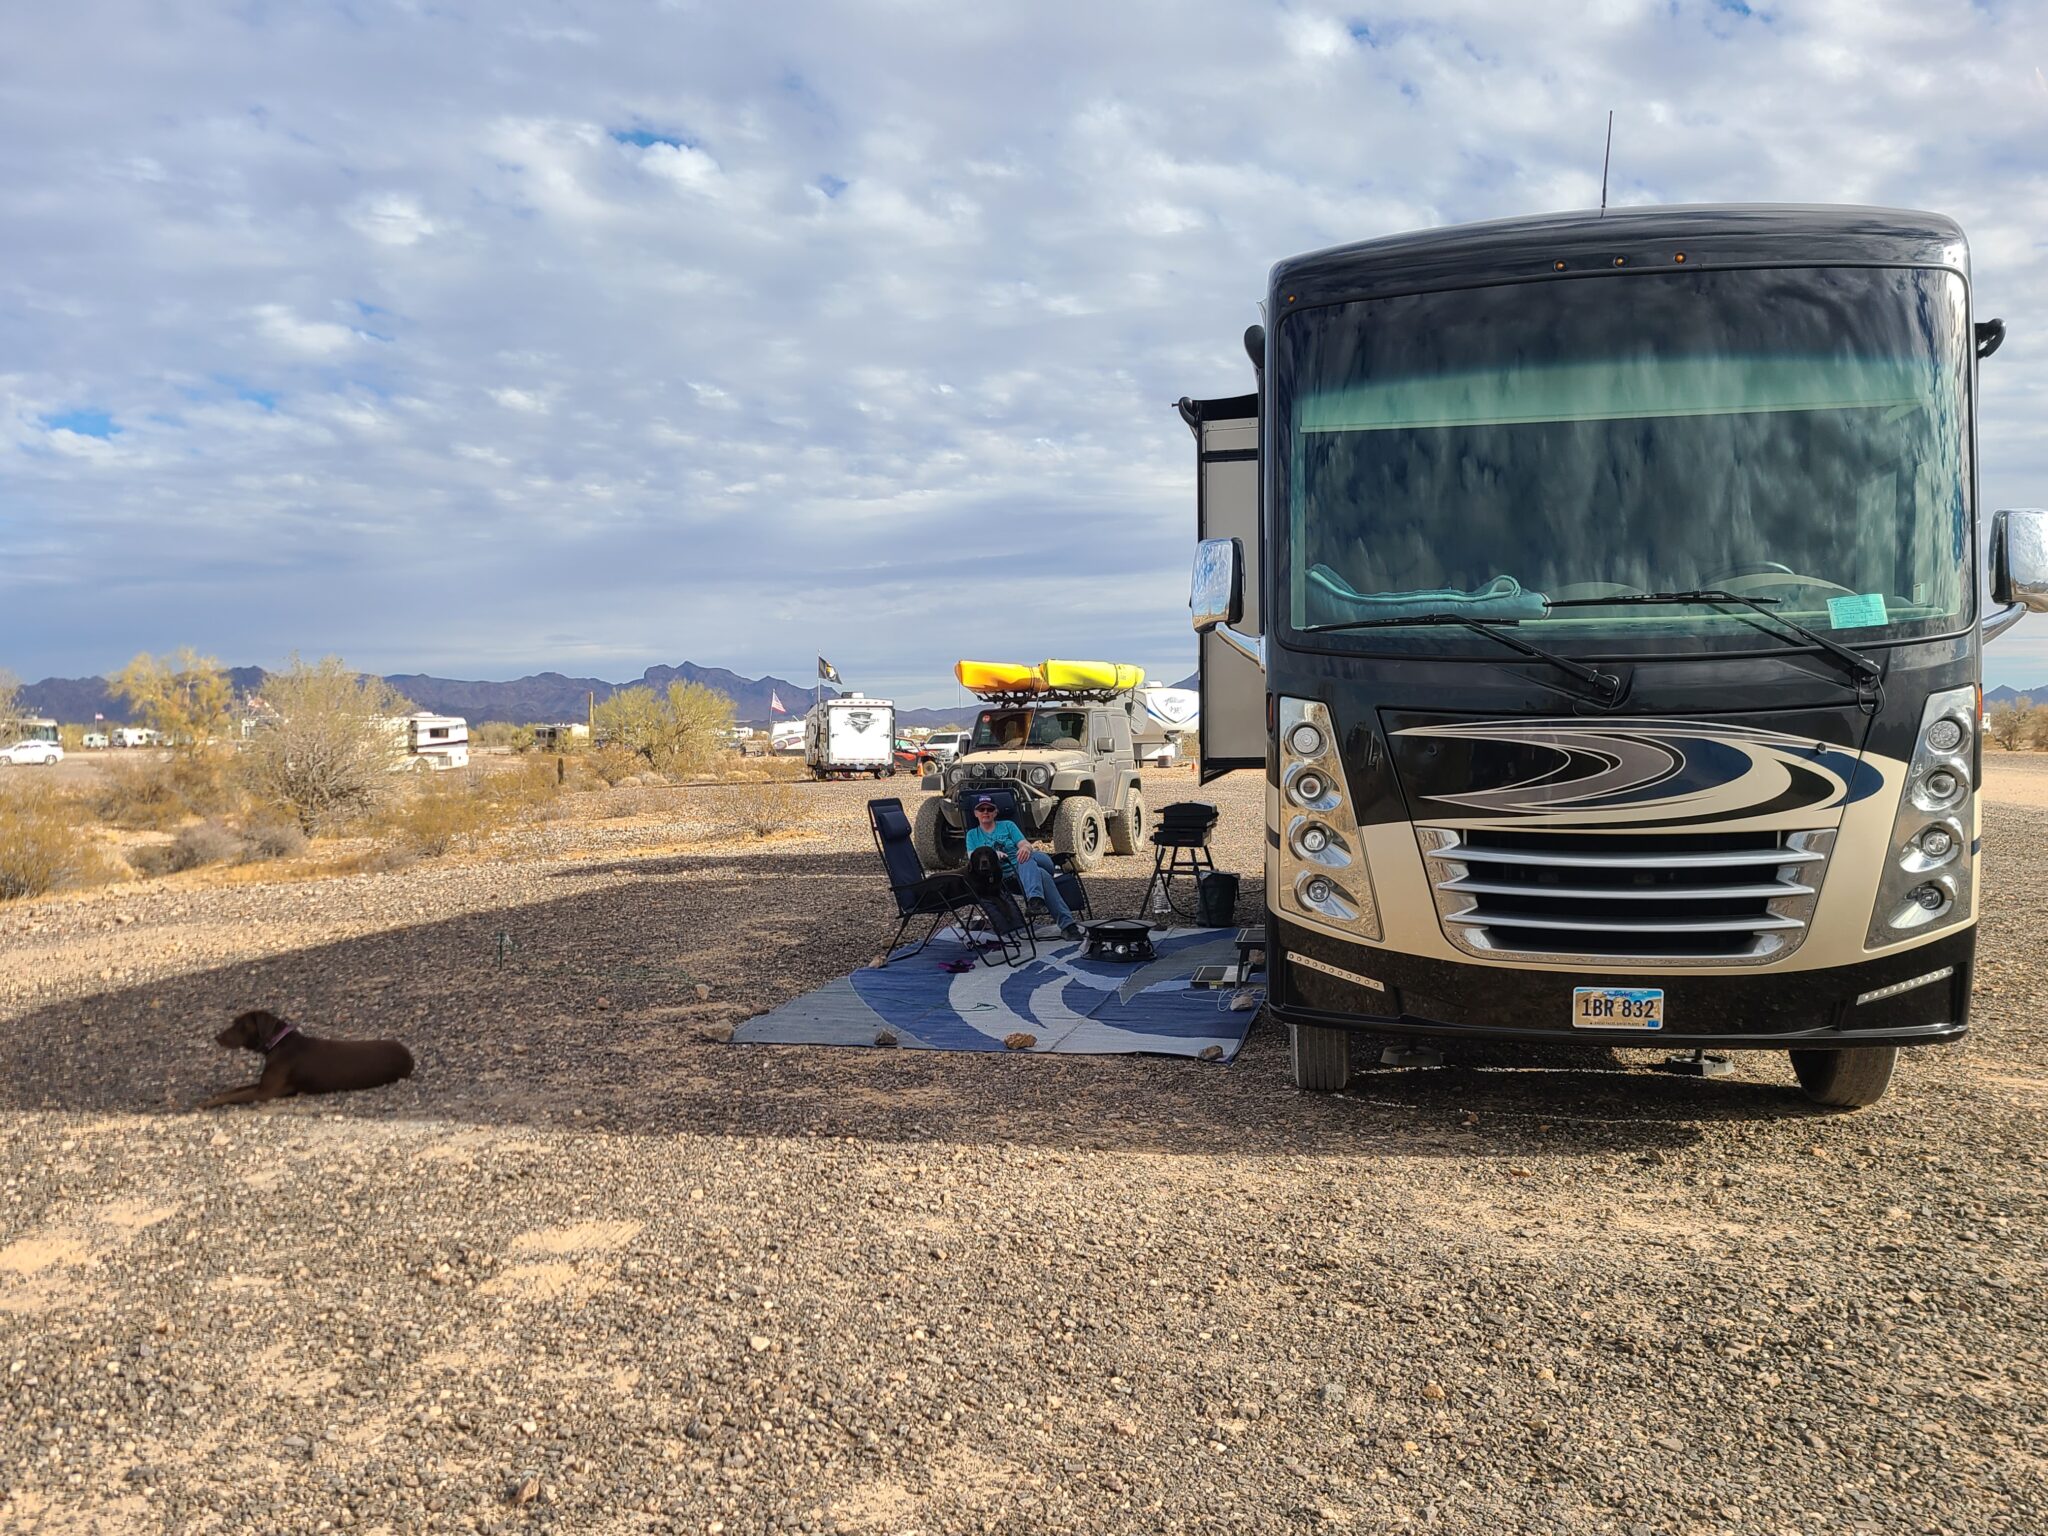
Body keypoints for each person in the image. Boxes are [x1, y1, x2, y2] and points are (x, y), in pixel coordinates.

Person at [964, 796, 1084, 940]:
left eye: (989, 809)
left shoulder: (1008, 825)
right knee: (1042, 875)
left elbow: (1024, 843)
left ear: (995, 812)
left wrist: (1025, 848)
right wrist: (994, 855)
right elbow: (972, 857)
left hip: (1027, 866)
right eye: (981, 809)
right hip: (1007, 878)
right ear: (975, 813)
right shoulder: (972, 835)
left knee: (1027, 856)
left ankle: (1036, 899)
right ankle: (1065, 924)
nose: (985, 812)